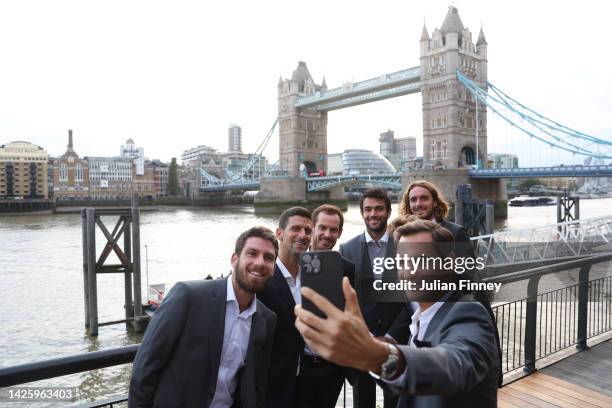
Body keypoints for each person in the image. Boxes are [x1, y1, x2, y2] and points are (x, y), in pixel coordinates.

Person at [294, 219, 499, 408]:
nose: (408, 271)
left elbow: (456, 365)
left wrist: (376, 354)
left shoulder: (469, 313)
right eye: (401, 261)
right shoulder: (421, 319)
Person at [128, 227, 278, 408]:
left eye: (268, 257)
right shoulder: (188, 296)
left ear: (273, 269)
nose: (260, 262)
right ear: (234, 259)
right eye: (252, 253)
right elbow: (145, 366)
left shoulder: (267, 319)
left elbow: (256, 383)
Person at [394, 180, 503, 386]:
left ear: (435, 202)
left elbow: (472, 284)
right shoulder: (404, 237)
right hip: (417, 327)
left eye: (424, 198)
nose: (418, 204)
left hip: (448, 323)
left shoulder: (455, 233)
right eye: (413, 200)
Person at [339, 188, 404, 408]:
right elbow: (345, 298)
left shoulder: (404, 246)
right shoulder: (346, 249)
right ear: (362, 213)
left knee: (395, 402)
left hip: (397, 341)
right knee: (362, 402)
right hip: (362, 342)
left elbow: (411, 297)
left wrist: (392, 334)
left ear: (388, 211)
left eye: (378, 209)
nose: (373, 214)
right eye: (368, 209)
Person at [300, 204, 355, 408]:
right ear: (312, 228)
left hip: (331, 367)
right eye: (322, 228)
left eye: (333, 230)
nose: (327, 234)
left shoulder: (348, 268)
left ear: (340, 233)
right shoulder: (293, 262)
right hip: (297, 366)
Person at [258, 207, 313, 408]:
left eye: (308, 231)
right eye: (296, 229)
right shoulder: (262, 278)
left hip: (305, 385)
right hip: (270, 389)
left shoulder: (313, 278)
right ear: (279, 234)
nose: (303, 235)